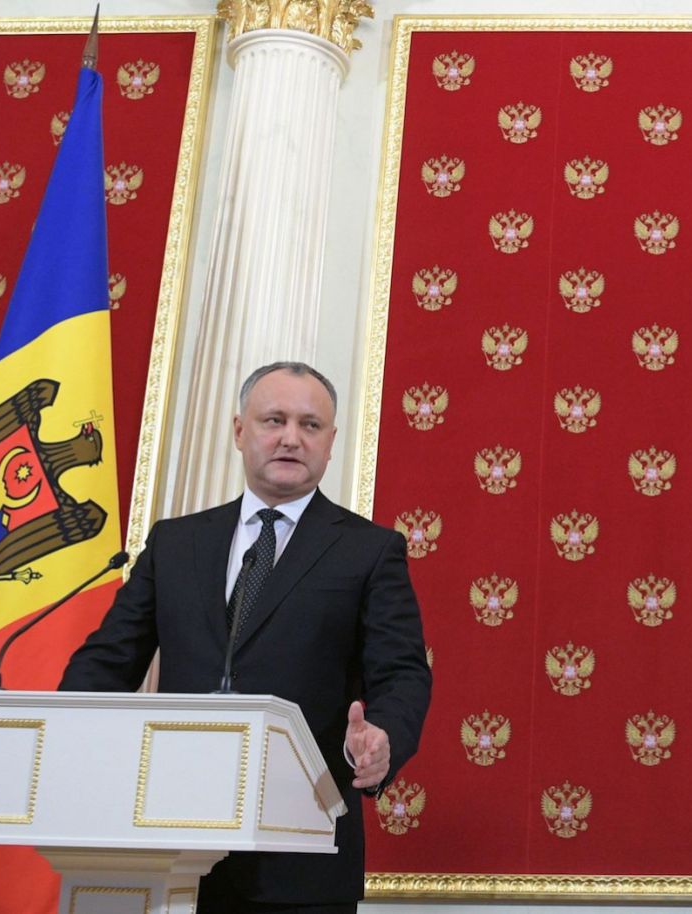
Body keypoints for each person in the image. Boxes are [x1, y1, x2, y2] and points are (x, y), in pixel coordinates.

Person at [61, 361, 432, 913]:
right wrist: (62, 736)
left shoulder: (370, 551)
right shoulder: (175, 542)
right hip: (165, 844)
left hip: (301, 855)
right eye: (273, 419)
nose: (290, 437)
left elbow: (401, 672)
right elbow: (107, 661)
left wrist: (383, 741)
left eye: (310, 425)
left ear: (330, 443)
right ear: (239, 431)